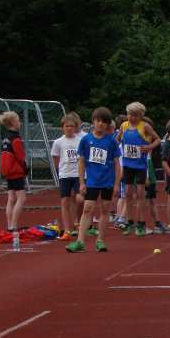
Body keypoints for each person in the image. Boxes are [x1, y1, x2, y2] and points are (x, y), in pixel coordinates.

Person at [66, 107, 122, 253]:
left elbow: (117, 164)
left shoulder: (112, 142)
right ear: (93, 122)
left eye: (104, 121)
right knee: (87, 209)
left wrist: (117, 184)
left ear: (107, 124)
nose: (100, 124)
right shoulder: (85, 140)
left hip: (107, 181)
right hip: (92, 181)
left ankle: (100, 240)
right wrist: (81, 182)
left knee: (105, 210)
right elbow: (81, 162)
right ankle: (80, 241)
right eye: (98, 121)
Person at [117, 102, 160, 236]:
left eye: (135, 115)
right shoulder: (124, 126)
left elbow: (158, 139)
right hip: (127, 165)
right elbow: (117, 140)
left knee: (141, 194)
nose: (132, 117)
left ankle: (141, 223)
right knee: (128, 194)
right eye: (129, 114)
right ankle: (130, 222)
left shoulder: (145, 126)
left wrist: (148, 147)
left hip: (140, 165)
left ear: (141, 115)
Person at [51, 112, 84, 240]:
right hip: (65, 174)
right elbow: (55, 157)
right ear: (62, 127)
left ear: (76, 127)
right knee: (65, 201)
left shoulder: (80, 141)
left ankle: (78, 222)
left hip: (78, 174)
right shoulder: (58, 142)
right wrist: (60, 170)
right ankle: (67, 230)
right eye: (67, 126)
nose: (69, 128)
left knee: (80, 199)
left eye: (72, 126)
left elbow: (84, 157)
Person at [0, 111, 28, 232]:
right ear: (12, 122)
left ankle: (9, 225)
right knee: (22, 198)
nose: (19, 122)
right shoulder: (16, 138)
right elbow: (20, 156)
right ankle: (14, 226)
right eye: (18, 120)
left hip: (8, 171)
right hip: (16, 172)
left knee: (11, 198)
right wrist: (25, 169)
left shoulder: (6, 138)